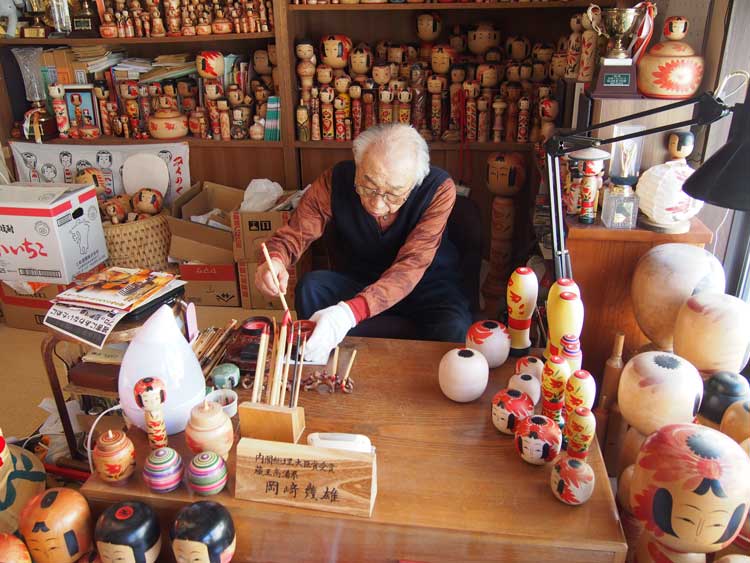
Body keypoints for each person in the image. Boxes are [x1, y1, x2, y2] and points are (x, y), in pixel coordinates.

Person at [255, 123, 471, 364]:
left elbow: (412, 266)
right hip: (360, 282)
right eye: (367, 187)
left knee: (455, 326)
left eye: (393, 194)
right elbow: (295, 232)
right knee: (311, 288)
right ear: (358, 164)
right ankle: (316, 364)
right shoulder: (335, 180)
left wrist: (348, 314)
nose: (377, 205)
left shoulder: (438, 189)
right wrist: (274, 260)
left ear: (413, 183)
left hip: (426, 287)